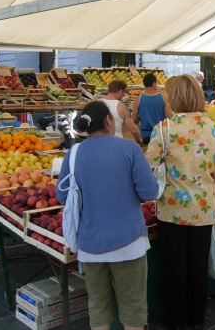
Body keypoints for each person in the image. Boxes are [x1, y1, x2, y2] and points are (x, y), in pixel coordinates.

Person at [56, 101, 158, 330]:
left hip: (91, 246)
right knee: (133, 309)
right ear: (109, 121)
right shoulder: (130, 149)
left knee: (99, 309)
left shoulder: (74, 153)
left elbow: (62, 196)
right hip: (129, 243)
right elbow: (150, 191)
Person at [145, 74, 215, 330]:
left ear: (174, 98)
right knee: (197, 267)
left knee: (174, 268)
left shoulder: (164, 129)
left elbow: (150, 166)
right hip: (203, 208)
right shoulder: (213, 127)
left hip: (171, 210)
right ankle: (197, 319)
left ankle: (176, 320)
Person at [131, 73, 173, 144]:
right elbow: (169, 116)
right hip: (160, 133)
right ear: (154, 84)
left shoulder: (138, 99)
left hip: (145, 135)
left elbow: (133, 119)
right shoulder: (163, 97)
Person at [103, 79, 142, 144]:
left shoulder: (96, 103)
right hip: (117, 144)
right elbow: (134, 130)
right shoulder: (121, 107)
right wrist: (139, 139)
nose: (124, 95)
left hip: (99, 143)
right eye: (124, 93)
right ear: (120, 92)